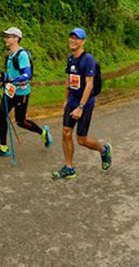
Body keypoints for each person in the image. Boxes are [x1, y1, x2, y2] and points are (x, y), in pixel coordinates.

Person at [51, 28, 112, 180]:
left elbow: (89, 85)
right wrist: (66, 100)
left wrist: (80, 107)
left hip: (85, 103)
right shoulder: (70, 58)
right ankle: (69, 168)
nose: (73, 40)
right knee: (66, 132)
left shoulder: (88, 59)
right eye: (71, 37)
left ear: (83, 41)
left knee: (81, 140)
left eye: (77, 38)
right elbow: (68, 79)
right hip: (72, 100)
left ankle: (104, 150)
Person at [0, 27, 52, 157]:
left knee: (20, 121)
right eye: (5, 36)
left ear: (16, 38)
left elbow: (27, 74)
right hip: (10, 91)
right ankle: (3, 148)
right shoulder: (10, 56)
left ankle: (43, 133)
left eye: (9, 36)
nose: (6, 38)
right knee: (1, 116)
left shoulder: (22, 55)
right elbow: (10, 74)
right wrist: (0, 79)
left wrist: (13, 79)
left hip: (21, 93)